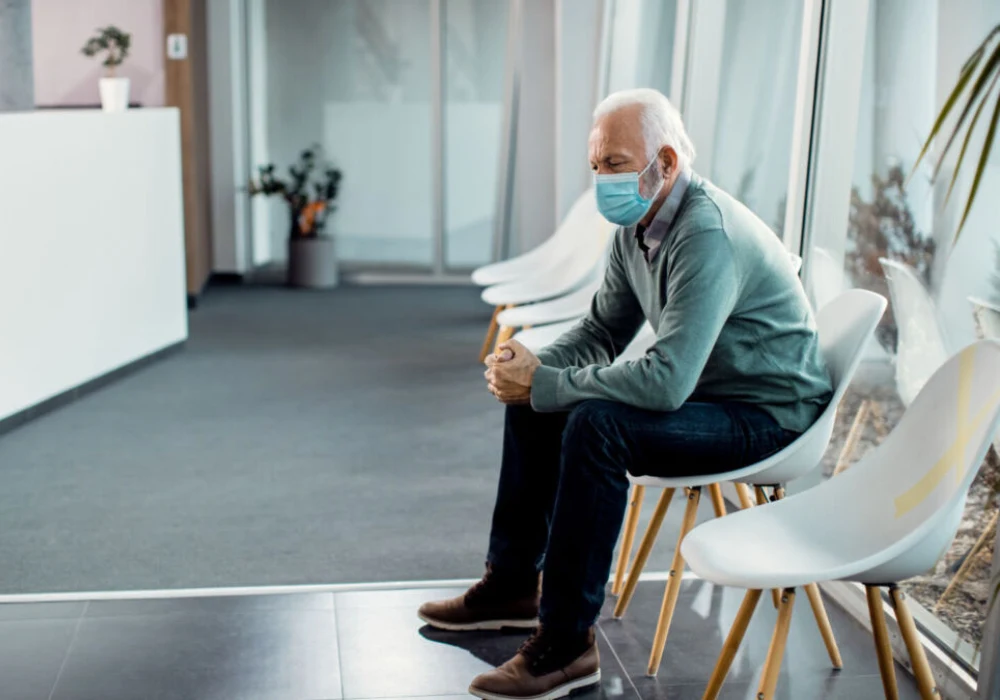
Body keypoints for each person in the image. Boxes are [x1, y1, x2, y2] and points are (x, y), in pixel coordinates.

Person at [418, 88, 833, 699]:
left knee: (594, 425)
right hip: (711, 397)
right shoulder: (638, 224)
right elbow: (601, 331)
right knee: (540, 399)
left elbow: (665, 383)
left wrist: (550, 382)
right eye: (595, 166)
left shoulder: (706, 234)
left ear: (664, 163)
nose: (601, 179)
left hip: (767, 415)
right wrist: (531, 368)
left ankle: (566, 642)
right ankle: (511, 585)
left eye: (614, 163)